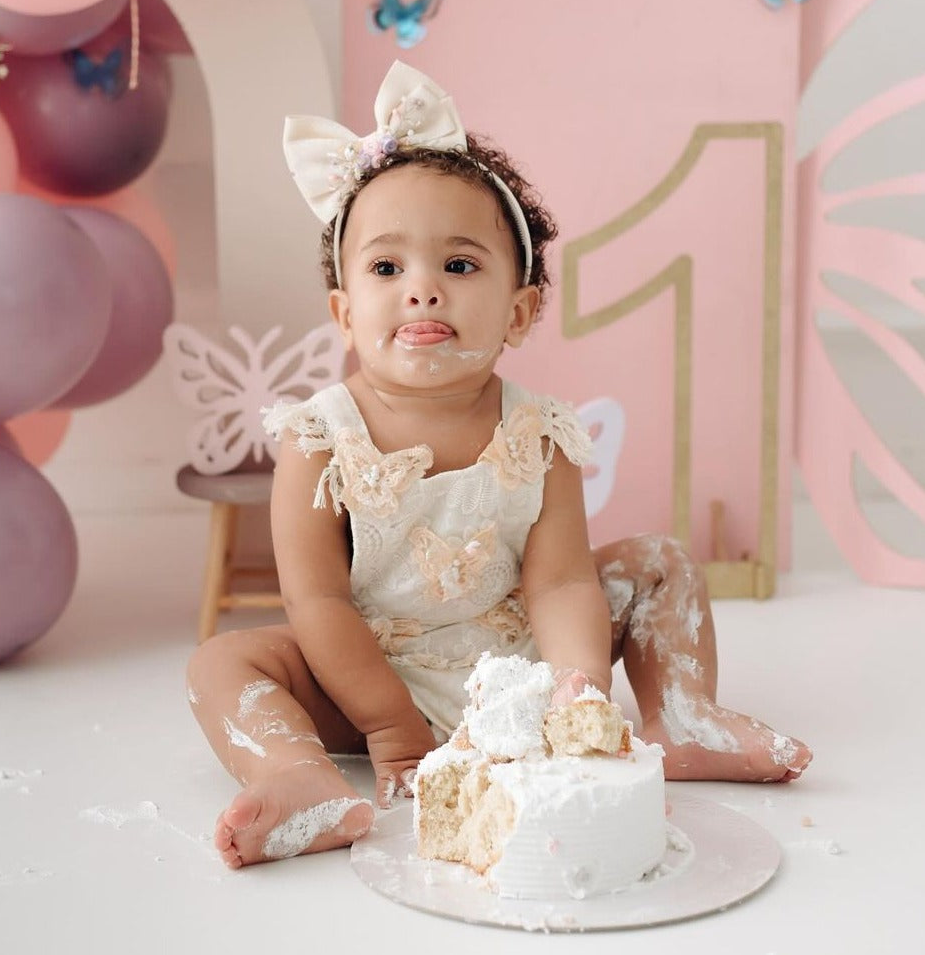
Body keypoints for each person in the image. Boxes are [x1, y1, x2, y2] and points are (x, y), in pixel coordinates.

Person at [187, 61, 811, 870]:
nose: (422, 292)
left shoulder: (536, 434)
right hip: (370, 676)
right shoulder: (318, 443)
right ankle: (300, 776)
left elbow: (558, 582)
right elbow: (318, 603)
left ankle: (684, 718)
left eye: (459, 265)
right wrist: (387, 724)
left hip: (517, 675)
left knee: (656, 562)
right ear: (344, 312)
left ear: (519, 311)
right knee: (223, 661)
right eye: (385, 268)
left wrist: (575, 690)